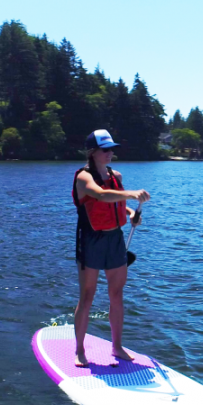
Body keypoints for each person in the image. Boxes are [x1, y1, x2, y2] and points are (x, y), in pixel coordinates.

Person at [72, 129, 150, 367]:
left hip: (115, 239)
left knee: (116, 294)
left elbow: (118, 203)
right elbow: (101, 195)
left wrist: (131, 213)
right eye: (105, 150)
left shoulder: (116, 175)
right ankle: (79, 350)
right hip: (91, 240)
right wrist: (131, 193)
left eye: (112, 149)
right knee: (87, 296)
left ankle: (117, 347)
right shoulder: (83, 178)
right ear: (92, 152)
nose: (110, 153)